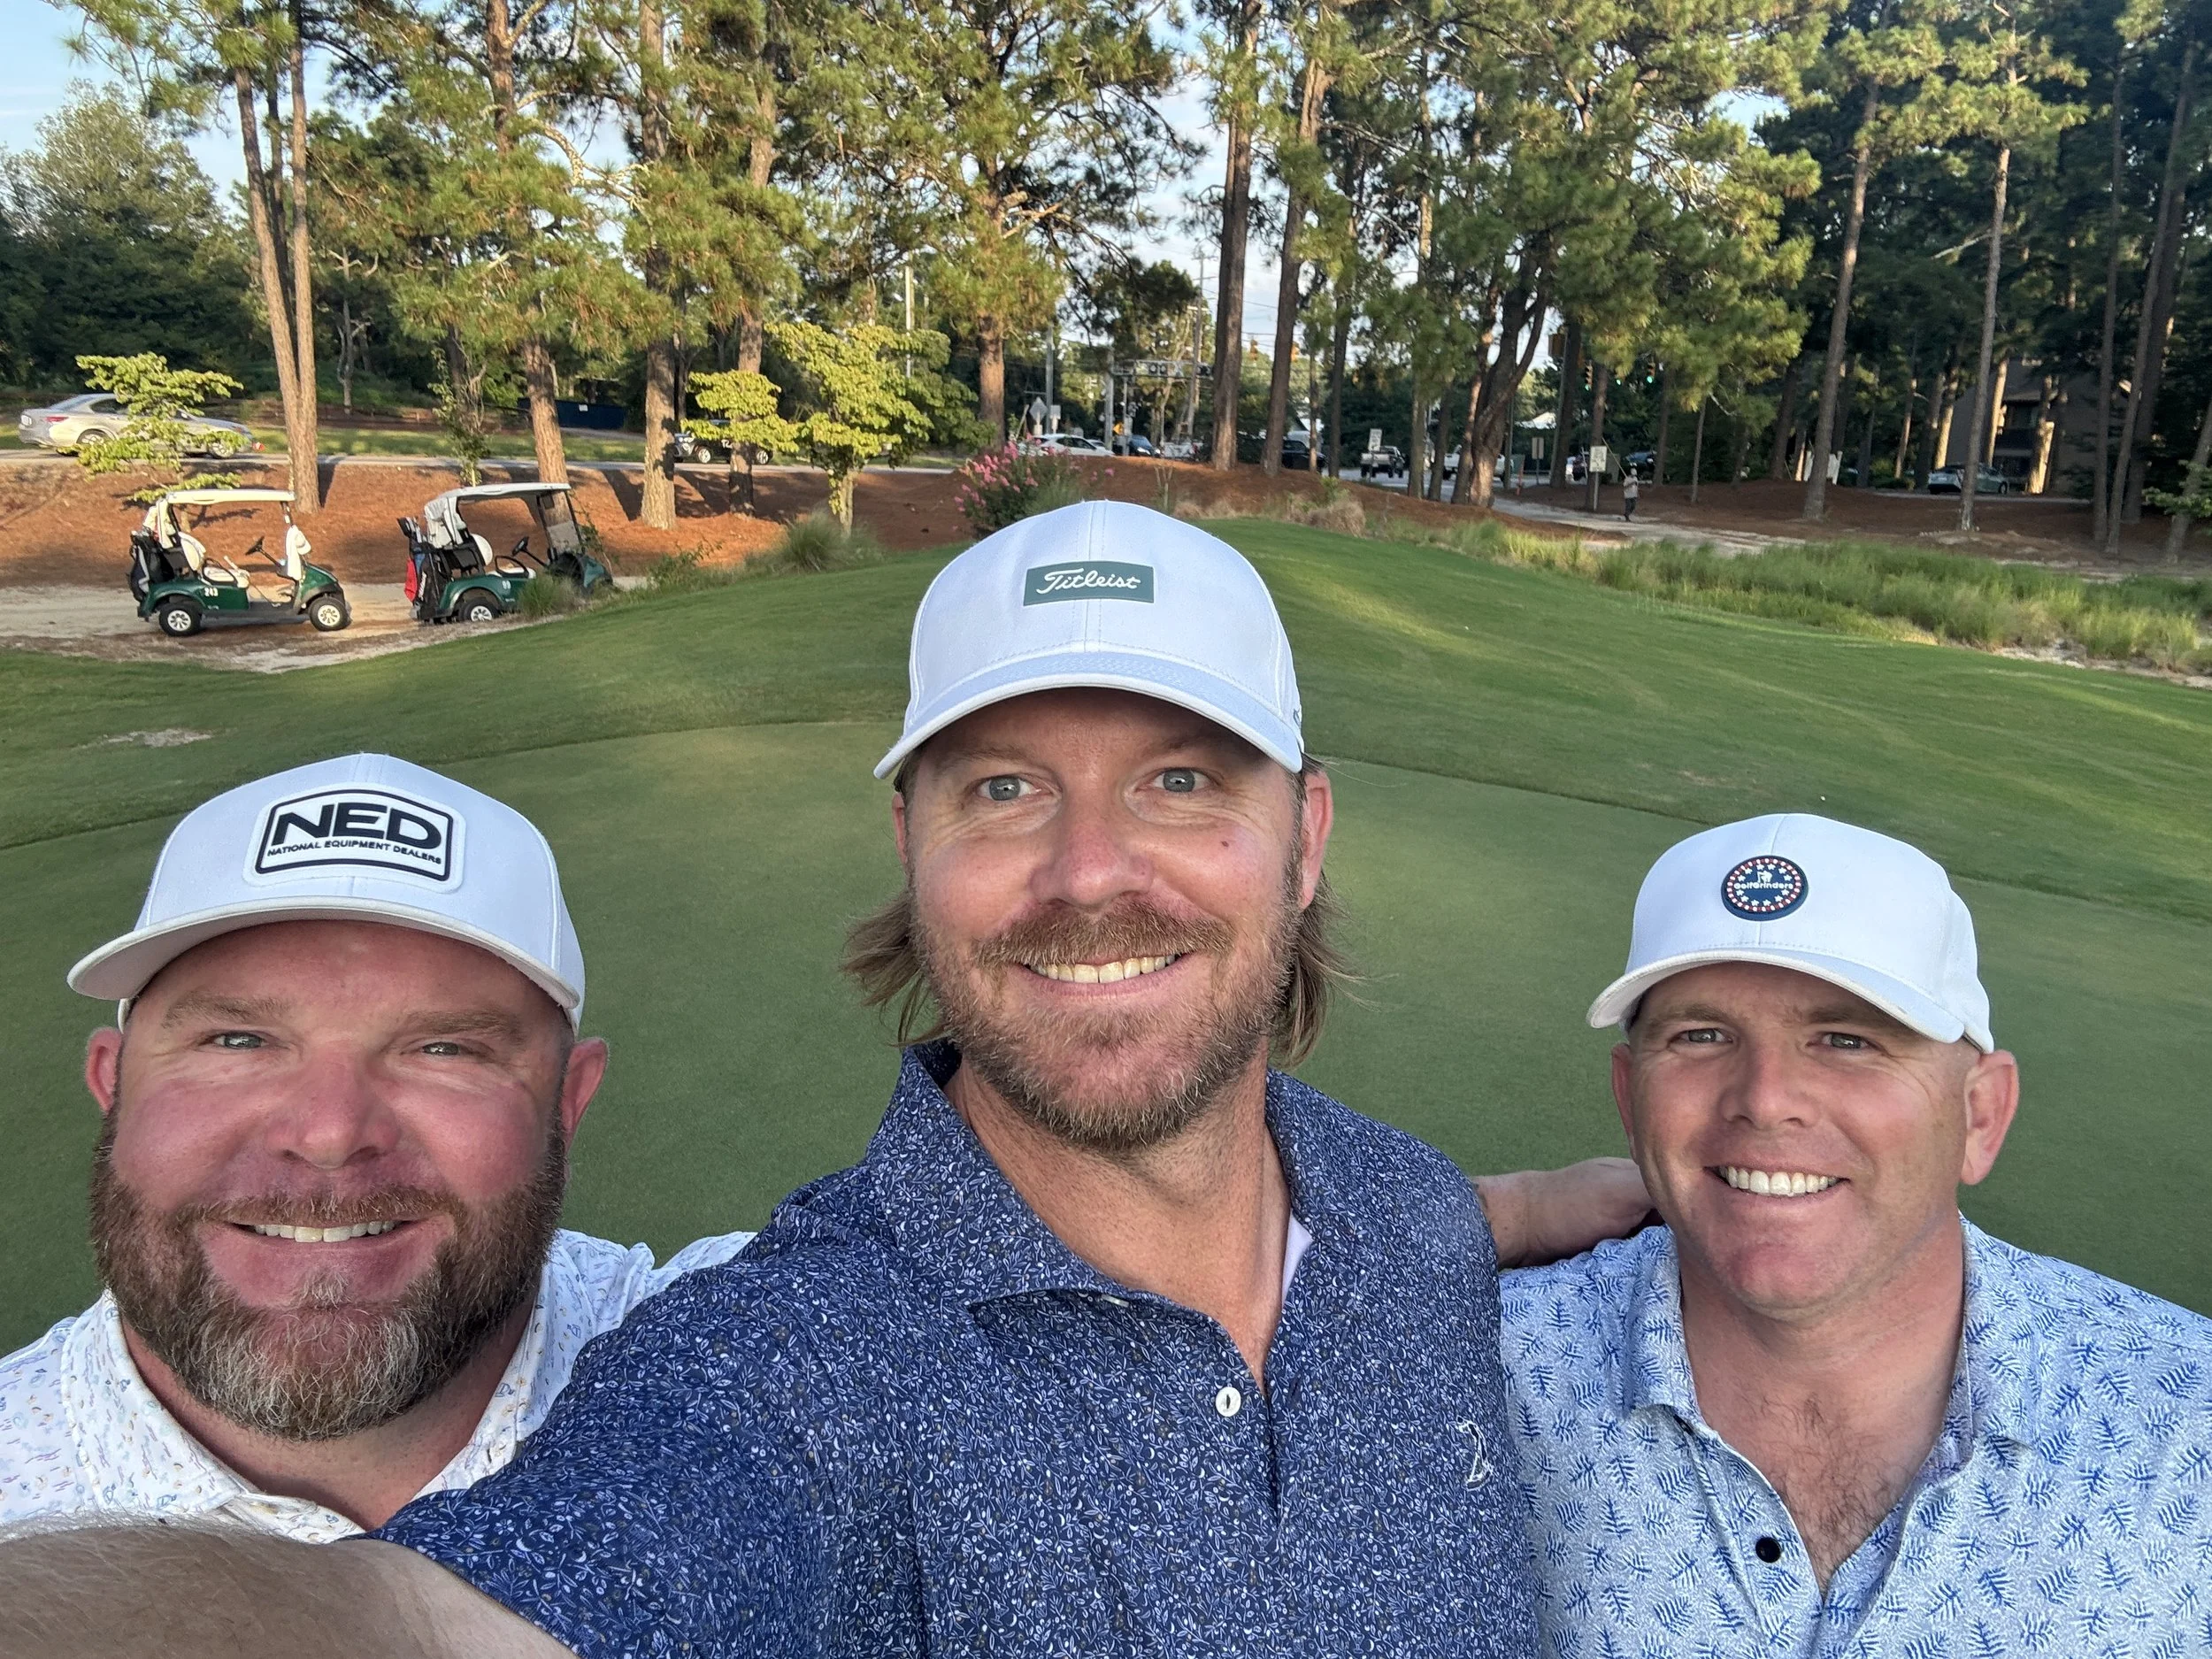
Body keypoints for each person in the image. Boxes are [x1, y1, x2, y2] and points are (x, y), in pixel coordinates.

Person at [0, 503, 1647, 1657]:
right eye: (1003, 788)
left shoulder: (1401, 1217)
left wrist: (1636, 1199)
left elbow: (1425, 1216)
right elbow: (431, 1625)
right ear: (912, 852)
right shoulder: (791, 1362)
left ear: (1307, 842)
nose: (1088, 871)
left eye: (1180, 778)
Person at [1501, 813, 2212, 1656]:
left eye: (1847, 1040)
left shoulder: (2186, 1427)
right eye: (1701, 1035)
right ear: (1630, 1100)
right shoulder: (1478, 1364)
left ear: (1980, 1114)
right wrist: (1496, 1211)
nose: (1765, 1099)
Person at [0, 754, 752, 1539]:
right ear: (113, 1083)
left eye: (445, 1049)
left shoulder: (733, 1362)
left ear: (568, 1101)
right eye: (238, 1039)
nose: (329, 1134)